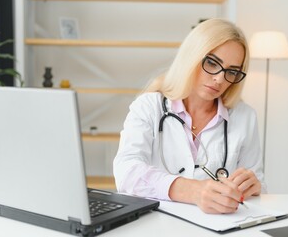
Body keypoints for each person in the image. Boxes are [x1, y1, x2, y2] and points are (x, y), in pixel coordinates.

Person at [113, 18, 266, 214]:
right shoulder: (149, 106)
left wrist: (254, 187)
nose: (219, 79)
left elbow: (258, 187)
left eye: (232, 71)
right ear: (191, 56)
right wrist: (193, 191)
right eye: (212, 63)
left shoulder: (244, 117)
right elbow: (126, 172)